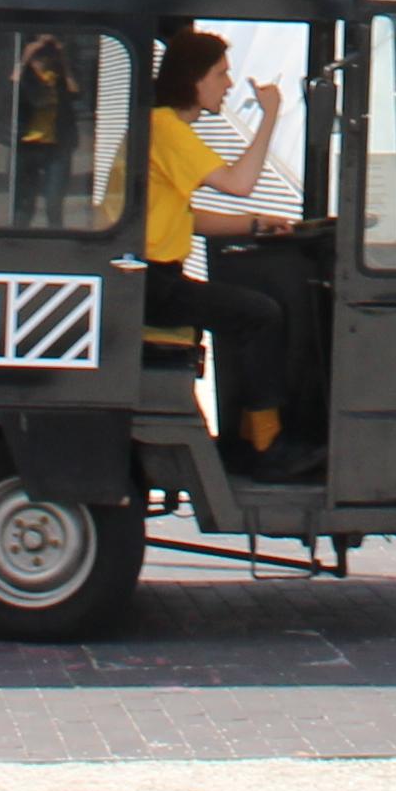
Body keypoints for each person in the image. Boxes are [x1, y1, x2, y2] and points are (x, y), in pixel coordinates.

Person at [144, 30, 313, 475]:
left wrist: (257, 224)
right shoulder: (164, 127)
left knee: (244, 313)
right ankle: (265, 446)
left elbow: (187, 217)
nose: (229, 84)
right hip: (149, 281)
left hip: (151, 277)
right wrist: (270, 116)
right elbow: (239, 183)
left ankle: (244, 440)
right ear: (194, 81)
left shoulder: (163, 128)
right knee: (259, 315)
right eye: (221, 74)